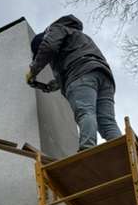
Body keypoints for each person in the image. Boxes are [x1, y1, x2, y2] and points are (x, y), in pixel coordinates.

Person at [25, 14, 122, 150]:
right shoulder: (73, 34)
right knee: (107, 122)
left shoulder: (55, 30)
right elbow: (71, 68)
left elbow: (49, 48)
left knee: (85, 112)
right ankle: (124, 152)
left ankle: (87, 150)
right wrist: (50, 86)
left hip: (81, 74)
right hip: (103, 76)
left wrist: (33, 70)